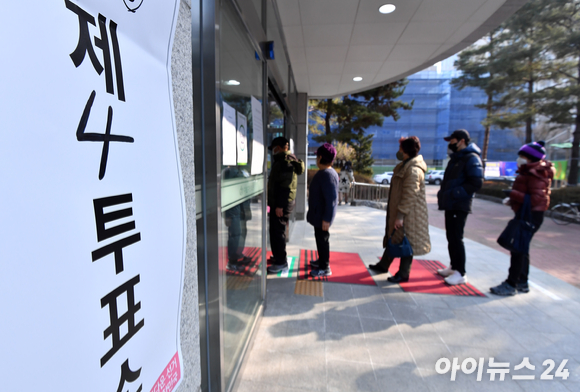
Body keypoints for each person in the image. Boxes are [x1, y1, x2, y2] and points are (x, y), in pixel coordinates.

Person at [490, 141, 554, 296]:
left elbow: (536, 199)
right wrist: (513, 200)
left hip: (530, 216)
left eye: (522, 156)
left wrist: (512, 194)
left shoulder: (536, 173)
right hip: (527, 214)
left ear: (530, 157)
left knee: (518, 249)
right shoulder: (529, 171)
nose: (519, 158)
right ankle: (522, 282)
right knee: (521, 249)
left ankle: (511, 284)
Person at [368, 137, 431, 282]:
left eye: (401, 148)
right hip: (402, 212)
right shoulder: (406, 165)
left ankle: (403, 274)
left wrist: (401, 215)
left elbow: (410, 194)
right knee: (394, 238)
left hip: (410, 215)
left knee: (406, 243)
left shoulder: (414, 169)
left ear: (406, 150)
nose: (399, 151)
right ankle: (384, 265)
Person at [436, 129, 484, 285]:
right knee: (451, 236)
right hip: (451, 203)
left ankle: (461, 272)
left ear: (461, 141)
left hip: (459, 204)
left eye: (452, 141)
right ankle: (454, 266)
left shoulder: (471, 158)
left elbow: (476, 182)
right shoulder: (456, 159)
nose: (450, 144)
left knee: (457, 237)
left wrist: (455, 194)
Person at [266, 137, 305, 274]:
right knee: (276, 230)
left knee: (278, 232)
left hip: (282, 204)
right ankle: (278, 256)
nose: (273, 151)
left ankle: (281, 261)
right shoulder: (283, 161)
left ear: (282, 147)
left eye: (275, 148)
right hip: (280, 203)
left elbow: (285, 187)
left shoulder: (286, 163)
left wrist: (280, 206)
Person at [307, 143, 339, 277]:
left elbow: (331, 199)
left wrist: (327, 218)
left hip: (322, 217)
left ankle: (325, 267)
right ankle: (321, 260)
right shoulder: (326, 172)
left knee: (323, 240)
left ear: (320, 158)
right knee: (320, 239)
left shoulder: (327, 174)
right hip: (318, 215)